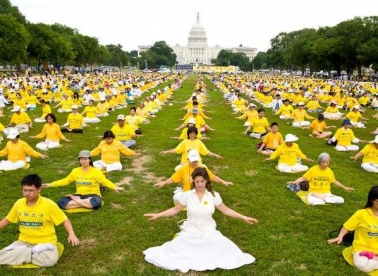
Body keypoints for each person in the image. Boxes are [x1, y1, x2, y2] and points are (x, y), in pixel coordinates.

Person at [144, 167, 257, 273]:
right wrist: (157, 215)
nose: (199, 184)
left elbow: (226, 210)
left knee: (225, 247)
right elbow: (175, 210)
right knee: (173, 250)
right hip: (191, 230)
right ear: (193, 181)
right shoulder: (187, 195)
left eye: (202, 181)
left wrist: (244, 217)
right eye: (197, 181)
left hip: (208, 231)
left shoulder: (213, 196)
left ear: (206, 181)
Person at [0, 174, 80, 267]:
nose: (27, 193)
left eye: (31, 190)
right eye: (24, 190)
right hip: (24, 242)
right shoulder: (19, 203)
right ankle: (30, 252)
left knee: (49, 261)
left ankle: (20, 253)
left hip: (45, 243)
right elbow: (8, 219)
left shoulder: (49, 204)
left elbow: (64, 219)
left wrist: (71, 234)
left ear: (39, 189)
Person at [42, 150, 125, 210]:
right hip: (80, 195)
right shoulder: (75, 171)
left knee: (97, 203)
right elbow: (65, 180)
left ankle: (76, 201)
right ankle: (83, 203)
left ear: (89, 160)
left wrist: (115, 187)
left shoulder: (96, 171)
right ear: (79, 160)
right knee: (61, 203)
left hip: (93, 195)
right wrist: (51, 184)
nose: (83, 161)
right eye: (81, 159)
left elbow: (104, 181)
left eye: (85, 159)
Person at [328, 186, 378, 273]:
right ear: (371, 200)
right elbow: (346, 227)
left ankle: (374, 260)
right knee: (363, 266)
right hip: (362, 248)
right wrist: (340, 236)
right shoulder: (361, 214)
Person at [154, 149, 233, 202]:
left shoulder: (202, 168)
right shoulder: (183, 169)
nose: (194, 163)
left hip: (201, 192)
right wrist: (163, 183)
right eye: (192, 161)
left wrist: (223, 182)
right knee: (176, 198)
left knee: (215, 198)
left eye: (196, 161)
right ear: (188, 160)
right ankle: (181, 192)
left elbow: (213, 177)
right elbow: (173, 179)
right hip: (187, 194)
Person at [288, 153, 353, 205]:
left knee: (341, 200)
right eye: (323, 162)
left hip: (326, 193)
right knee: (312, 201)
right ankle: (322, 198)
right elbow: (303, 178)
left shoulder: (329, 171)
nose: (325, 164)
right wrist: (294, 182)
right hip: (314, 192)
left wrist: (345, 187)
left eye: (327, 162)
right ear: (319, 162)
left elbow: (334, 181)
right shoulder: (313, 170)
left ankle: (323, 199)